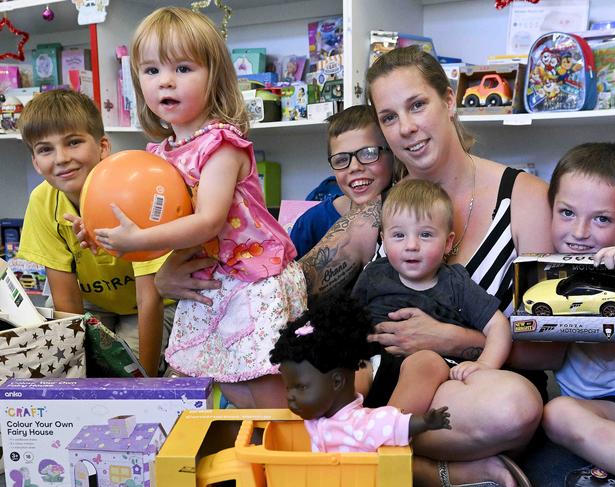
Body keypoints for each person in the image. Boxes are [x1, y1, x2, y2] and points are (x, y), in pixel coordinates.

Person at [153, 46, 550, 486]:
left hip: (473, 388)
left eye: (417, 105)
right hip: (381, 388)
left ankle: (359, 453)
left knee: (514, 408)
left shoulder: (524, 197)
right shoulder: (374, 214)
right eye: (389, 117)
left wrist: (452, 339)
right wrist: (170, 276)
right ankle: (427, 470)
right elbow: (278, 294)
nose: (407, 128)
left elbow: (549, 349)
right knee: (298, 380)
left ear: (450, 100)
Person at [91, 7, 306, 408]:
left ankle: (283, 457)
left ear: (215, 77)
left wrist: (137, 238)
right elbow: (148, 222)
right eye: (151, 70)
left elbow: (207, 221)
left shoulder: (221, 144)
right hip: (210, 280)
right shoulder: (160, 154)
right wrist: (101, 235)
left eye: (184, 68)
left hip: (252, 278)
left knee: (265, 387)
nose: (165, 81)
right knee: (221, 382)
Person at [16, 89, 174, 377]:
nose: (61, 158)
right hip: (93, 304)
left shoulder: (133, 191)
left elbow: (149, 299)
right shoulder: (42, 201)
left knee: (127, 371)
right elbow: (67, 303)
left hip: (150, 306)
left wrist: (146, 383)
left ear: (103, 147)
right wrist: (78, 374)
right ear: (36, 163)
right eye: (45, 149)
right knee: (73, 359)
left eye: (73, 142)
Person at [541, 142, 615, 486]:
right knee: (557, 415)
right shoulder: (540, 272)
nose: (579, 233)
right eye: (567, 213)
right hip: (613, 410)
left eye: (601, 218)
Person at [353, 179, 512, 411]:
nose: (412, 245)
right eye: (399, 236)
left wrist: (486, 364)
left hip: (428, 376)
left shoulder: (456, 283)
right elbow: (349, 318)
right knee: (348, 365)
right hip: (373, 361)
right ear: (383, 240)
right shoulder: (374, 274)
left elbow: (498, 325)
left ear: (448, 243)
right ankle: (342, 426)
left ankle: (387, 432)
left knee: (425, 362)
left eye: (425, 235)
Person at [269, 293, 451, 467]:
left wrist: (426, 422)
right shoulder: (314, 420)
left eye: (300, 387)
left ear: (336, 382)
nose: (290, 397)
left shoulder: (361, 424)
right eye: (288, 388)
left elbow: (395, 424)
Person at [290, 105, 394, 259]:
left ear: (393, 153)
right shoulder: (311, 223)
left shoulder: (416, 214)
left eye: (368, 153)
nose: (354, 167)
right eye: (341, 159)